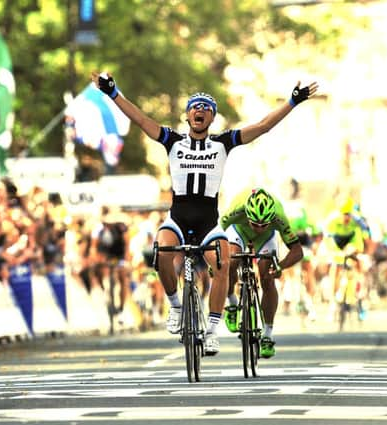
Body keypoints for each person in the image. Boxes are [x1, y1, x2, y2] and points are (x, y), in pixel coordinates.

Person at [91, 70, 318, 355]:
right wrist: (112, 92)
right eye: (195, 108)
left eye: (206, 109)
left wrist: (292, 102)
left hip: (209, 222)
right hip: (178, 217)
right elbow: (140, 119)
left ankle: (212, 330)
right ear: (188, 117)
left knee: (223, 264)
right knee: (161, 251)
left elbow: (262, 126)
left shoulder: (223, 143)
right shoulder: (171, 140)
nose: (200, 111)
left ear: (211, 118)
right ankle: (175, 306)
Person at [220, 188, 304, 358]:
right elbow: (215, 235)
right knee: (231, 261)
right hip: (239, 231)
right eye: (255, 224)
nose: (258, 228)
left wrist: (280, 266)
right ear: (247, 215)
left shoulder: (279, 216)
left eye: (263, 224)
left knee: (267, 277)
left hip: (267, 238)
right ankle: (232, 303)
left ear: (271, 218)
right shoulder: (237, 209)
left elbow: (297, 251)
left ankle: (267, 335)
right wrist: (216, 262)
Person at [323, 197, 366, 320]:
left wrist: (357, 250)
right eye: (344, 215)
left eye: (349, 215)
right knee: (335, 267)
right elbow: (327, 239)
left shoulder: (357, 219)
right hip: (337, 241)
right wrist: (334, 253)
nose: (347, 218)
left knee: (357, 262)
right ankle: (333, 301)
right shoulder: (332, 219)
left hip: (351, 240)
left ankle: (359, 296)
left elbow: (362, 236)